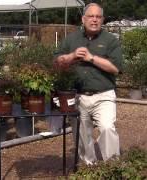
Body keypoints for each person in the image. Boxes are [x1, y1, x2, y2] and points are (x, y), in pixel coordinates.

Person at [54, 3, 122, 165]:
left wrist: (91, 58)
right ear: (83, 19)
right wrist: (71, 56)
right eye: (91, 16)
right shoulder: (71, 39)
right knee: (82, 134)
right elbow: (57, 63)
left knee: (107, 128)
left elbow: (115, 68)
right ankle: (89, 167)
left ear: (103, 20)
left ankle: (113, 166)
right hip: (77, 96)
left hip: (103, 95)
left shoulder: (110, 40)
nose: (94, 20)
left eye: (98, 17)